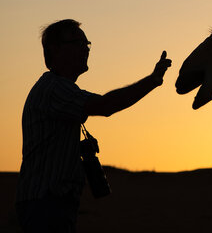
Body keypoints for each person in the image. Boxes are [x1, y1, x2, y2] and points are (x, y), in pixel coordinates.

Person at [15, 19, 172, 232]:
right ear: (55, 49)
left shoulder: (60, 89)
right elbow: (106, 105)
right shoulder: (54, 89)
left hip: (51, 204)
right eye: (78, 43)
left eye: (87, 44)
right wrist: (152, 80)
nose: (86, 49)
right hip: (46, 205)